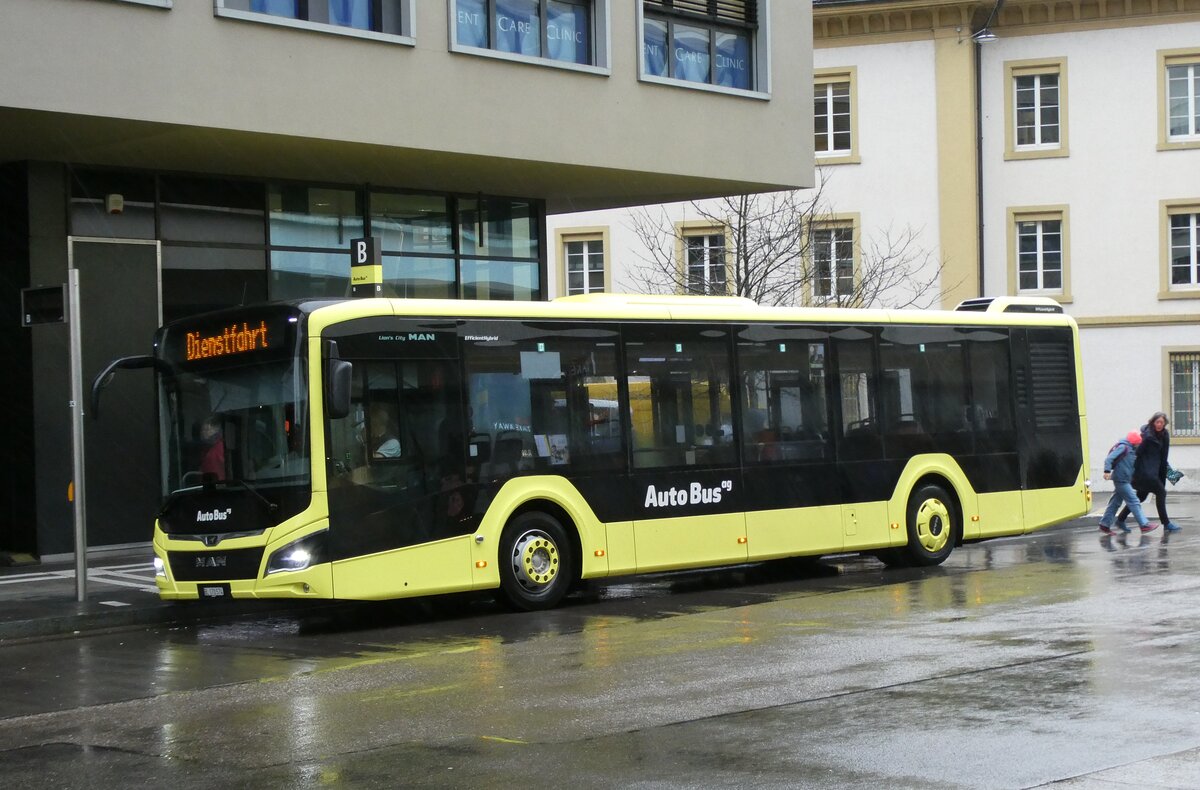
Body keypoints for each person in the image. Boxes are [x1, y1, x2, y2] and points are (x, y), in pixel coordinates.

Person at [1116, 412, 1180, 533]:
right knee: (1161, 492)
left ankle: (1120, 519)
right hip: (1144, 473)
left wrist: (1164, 476)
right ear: (1153, 422)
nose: (1159, 424)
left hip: (1153, 472)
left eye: (1162, 422)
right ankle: (1166, 523)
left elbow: (1164, 457)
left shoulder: (1164, 435)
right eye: (1157, 422)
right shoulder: (1147, 436)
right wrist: (1132, 471)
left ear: (1165, 424)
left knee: (1140, 497)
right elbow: (1137, 453)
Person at [1098, 430, 1158, 535]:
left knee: (1115, 503)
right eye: (1138, 443)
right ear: (1134, 442)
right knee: (1134, 501)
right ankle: (1144, 525)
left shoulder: (1130, 449)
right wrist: (1107, 471)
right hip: (1121, 479)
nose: (1139, 445)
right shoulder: (1123, 447)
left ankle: (1104, 524)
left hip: (1124, 479)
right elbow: (1109, 459)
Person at [198, 415, 226, 481]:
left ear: (216, 430)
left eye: (207, 429)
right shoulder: (206, 448)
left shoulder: (220, 447)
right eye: (202, 430)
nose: (203, 432)